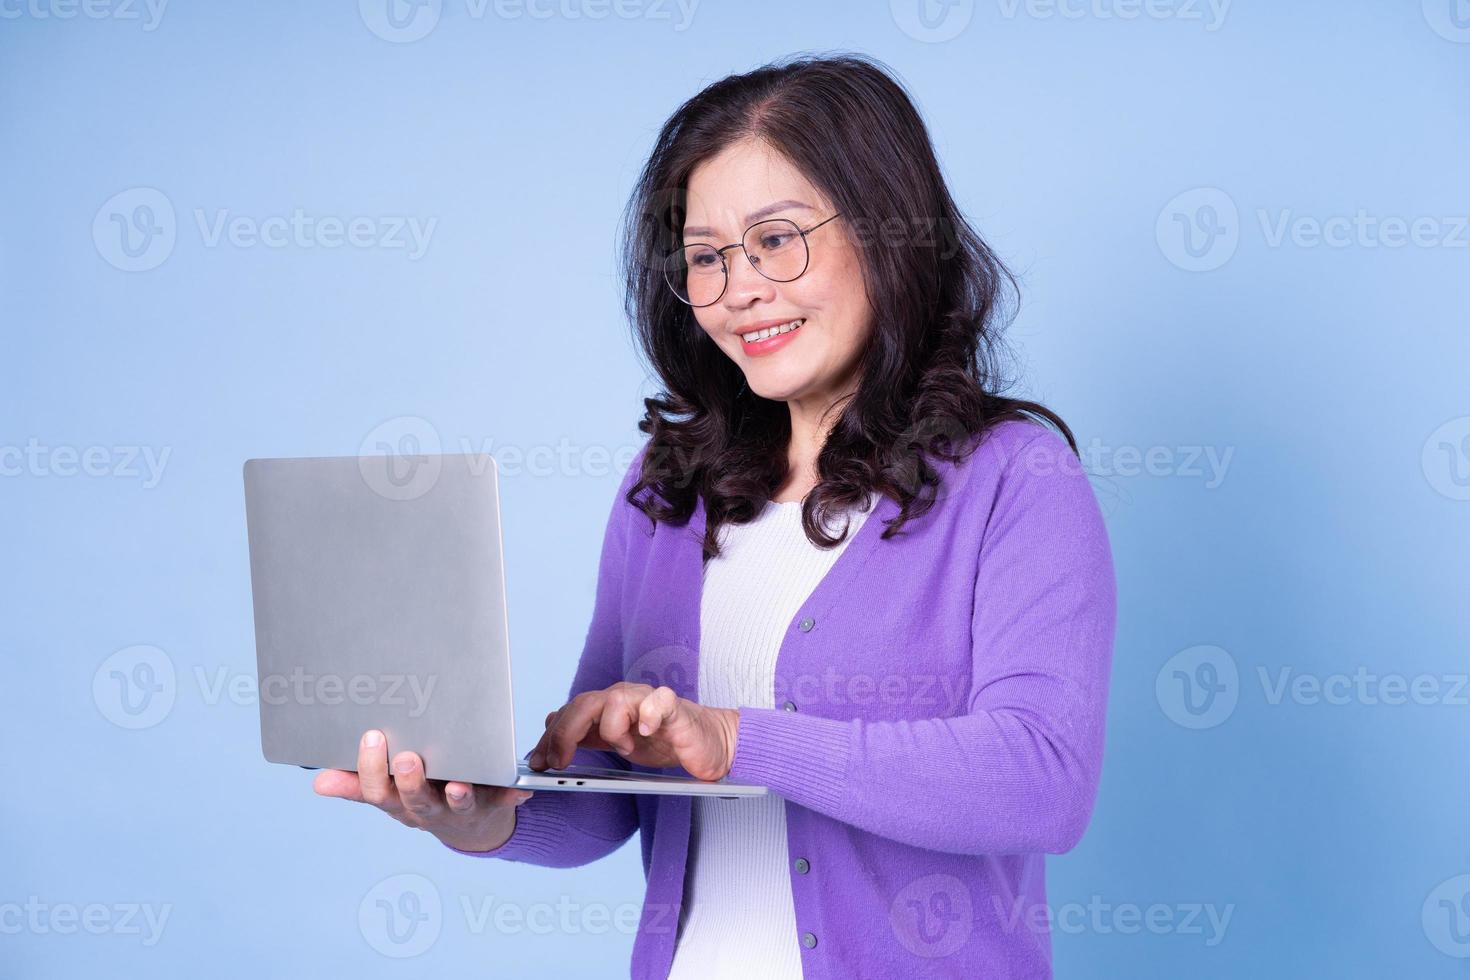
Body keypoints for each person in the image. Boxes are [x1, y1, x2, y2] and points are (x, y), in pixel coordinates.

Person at [314, 52, 1116, 979]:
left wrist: (737, 739)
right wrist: (485, 814)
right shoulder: (666, 490)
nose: (739, 290)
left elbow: (1041, 780)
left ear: (888, 235)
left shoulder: (1014, 480)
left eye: (777, 240)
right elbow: (612, 799)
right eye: (705, 257)